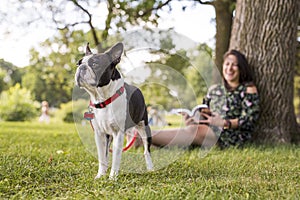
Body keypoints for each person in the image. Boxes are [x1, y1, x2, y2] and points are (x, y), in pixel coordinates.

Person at [151, 50, 260, 149]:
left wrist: (224, 122)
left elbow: (249, 120)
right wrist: (194, 119)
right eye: (227, 64)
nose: (229, 68)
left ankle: (146, 135)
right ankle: (143, 140)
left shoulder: (248, 89)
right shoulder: (215, 90)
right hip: (208, 131)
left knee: (195, 131)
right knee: (190, 133)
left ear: (241, 68)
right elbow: (204, 112)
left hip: (232, 135)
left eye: (234, 65)